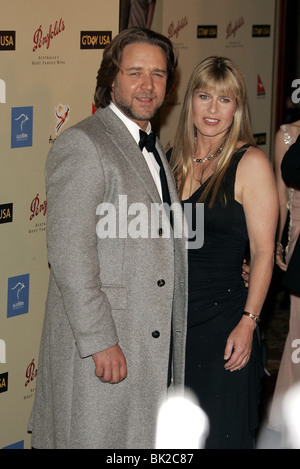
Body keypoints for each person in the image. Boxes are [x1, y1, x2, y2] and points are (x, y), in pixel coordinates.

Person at [28, 28, 188, 449]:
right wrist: (101, 341)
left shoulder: (153, 150)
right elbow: (68, 253)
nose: (147, 84)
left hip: (145, 345)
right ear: (111, 79)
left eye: (158, 73)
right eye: (134, 72)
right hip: (104, 348)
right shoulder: (84, 143)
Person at [168, 56, 279, 449]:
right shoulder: (169, 161)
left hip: (224, 328)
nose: (213, 109)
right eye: (204, 96)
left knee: (218, 437)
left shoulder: (250, 163)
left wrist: (249, 323)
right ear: (190, 101)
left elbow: (264, 252)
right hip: (169, 328)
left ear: (238, 108)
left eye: (225, 100)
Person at [268, 123, 300, 445]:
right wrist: (276, 243)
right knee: (298, 327)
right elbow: (280, 196)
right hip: (298, 240)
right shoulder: (286, 135)